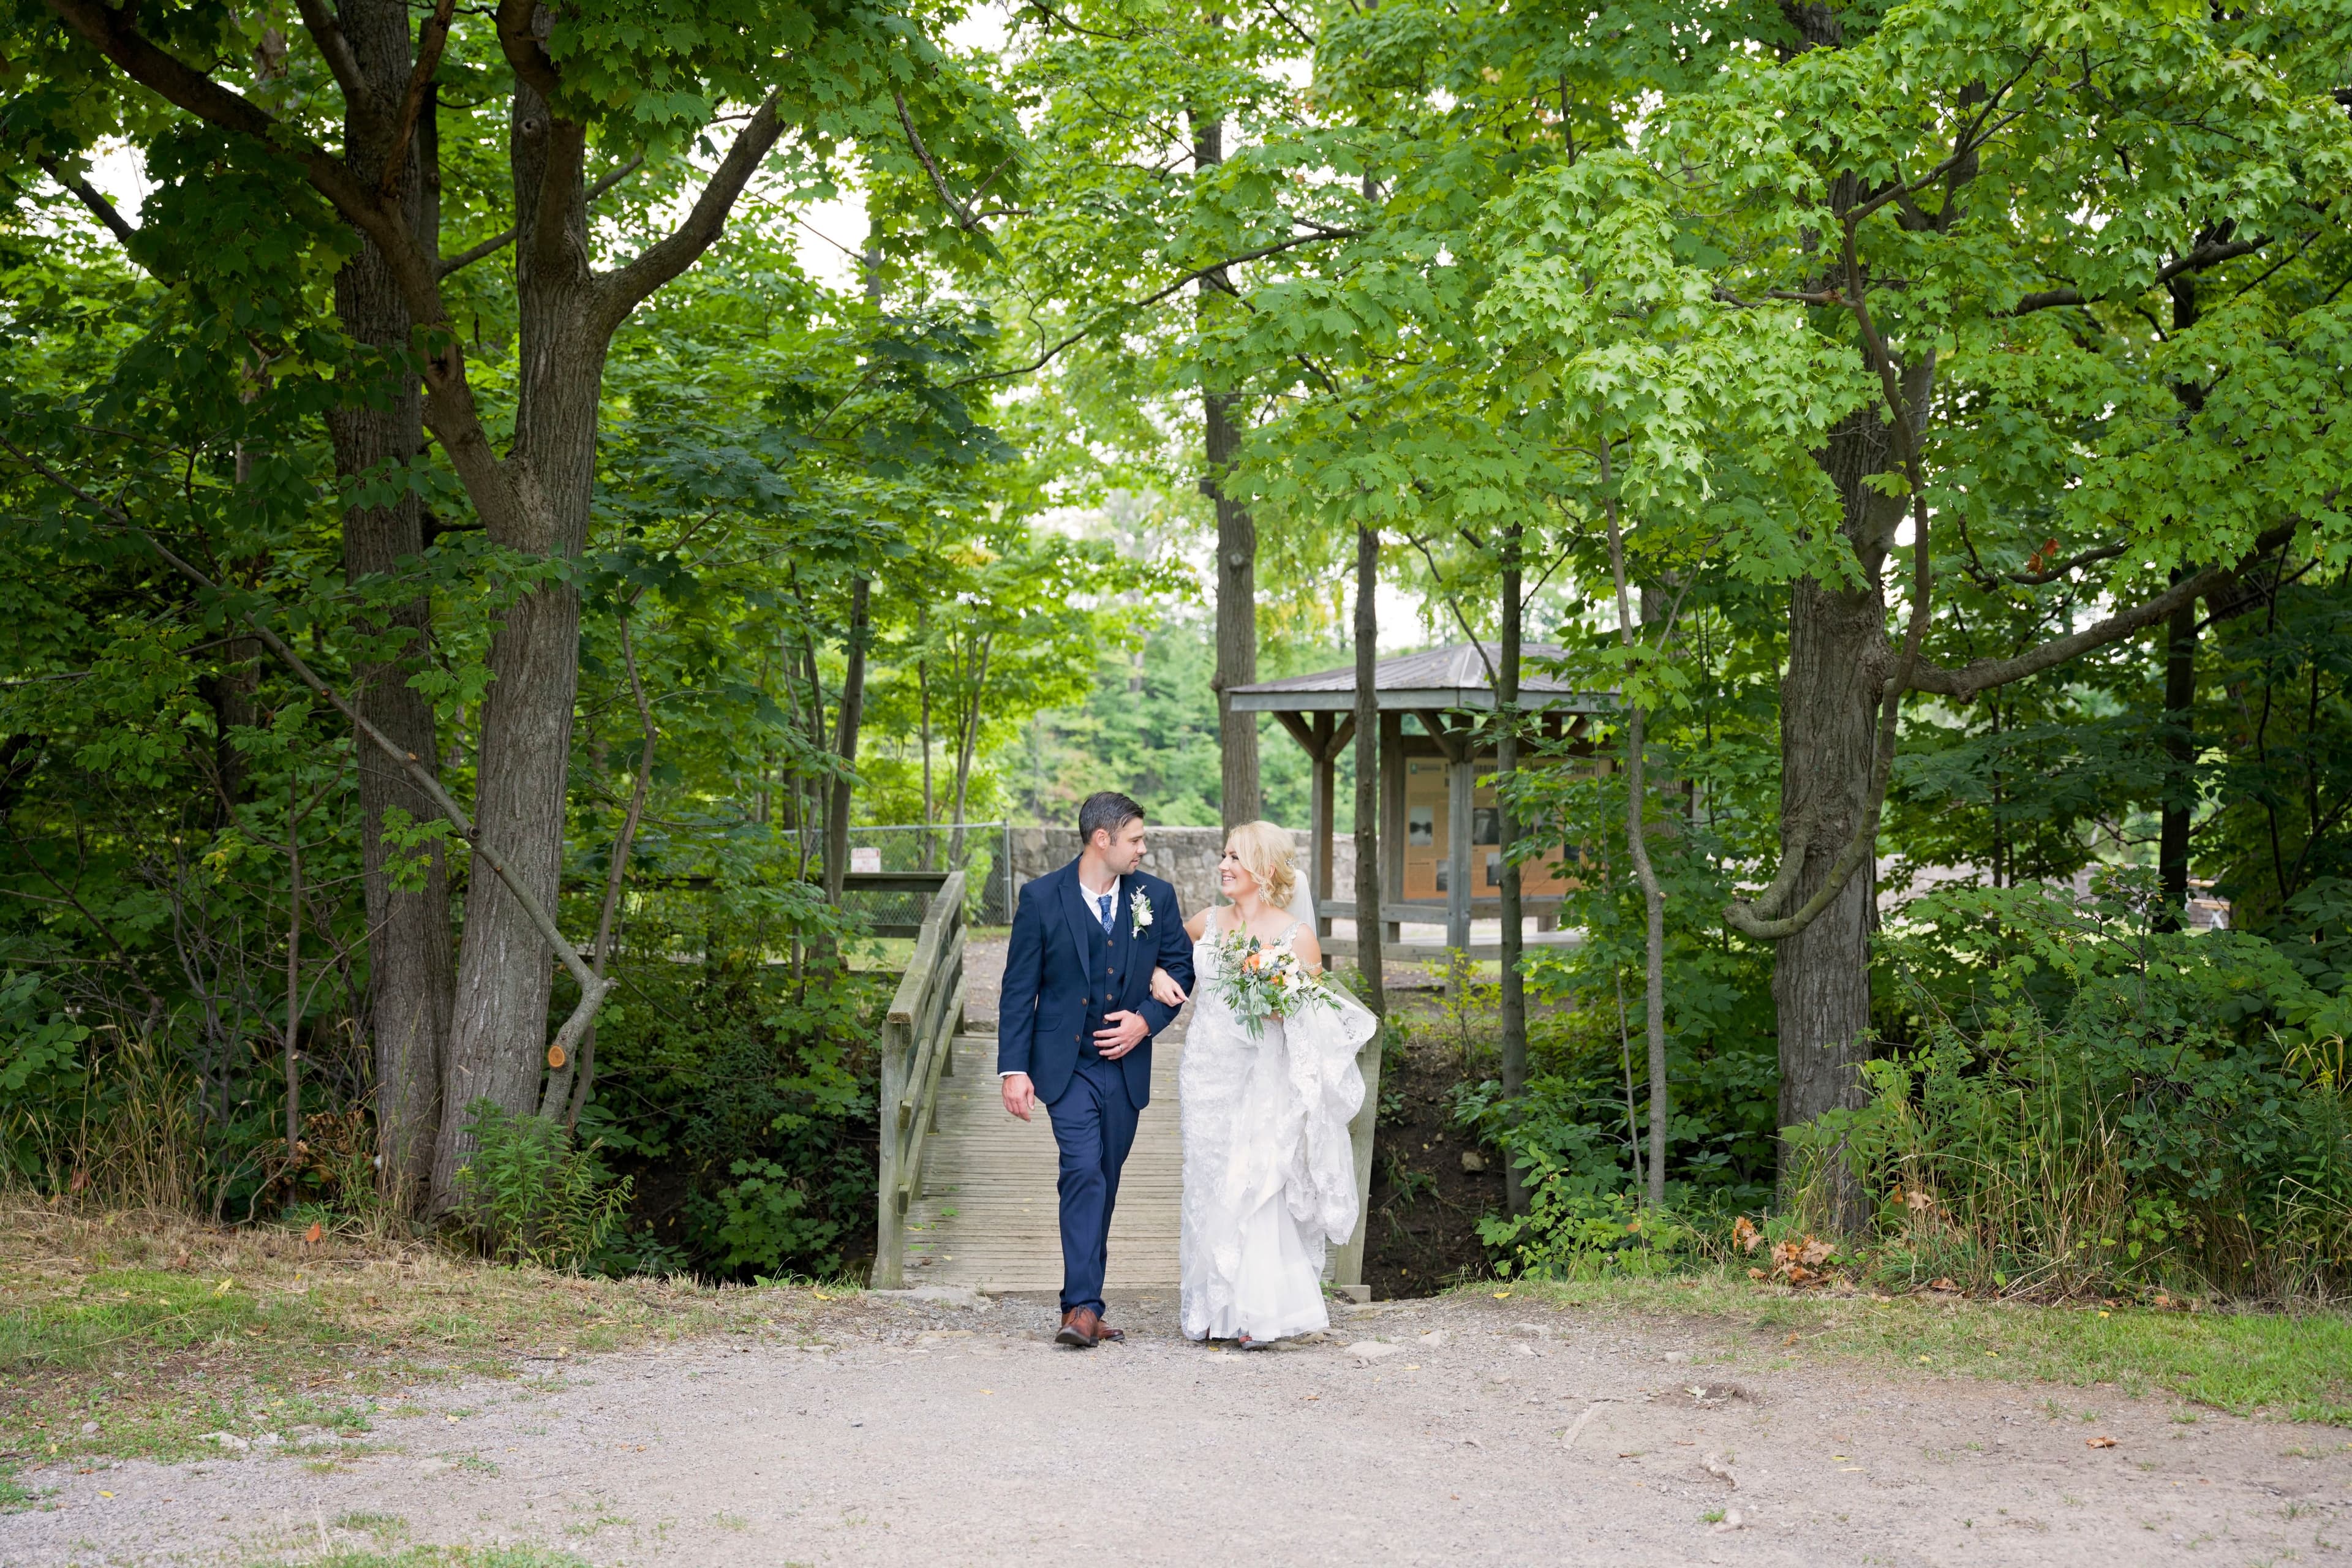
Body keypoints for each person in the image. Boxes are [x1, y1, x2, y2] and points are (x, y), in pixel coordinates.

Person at [1152, 821, 1374, 1347]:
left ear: (1266, 870)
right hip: (1206, 1072)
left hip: (1263, 1073)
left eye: (1236, 857)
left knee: (1255, 1182)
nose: (1224, 865)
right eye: (1224, 855)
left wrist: (1282, 1004)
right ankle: (1212, 1308)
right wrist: (1157, 974)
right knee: (1208, 1183)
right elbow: (1156, 957)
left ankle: (1258, 1313)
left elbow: (1314, 1020)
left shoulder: (1296, 938)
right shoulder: (1206, 922)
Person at [997, 791, 1196, 1348]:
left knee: (1103, 1182)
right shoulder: (1041, 898)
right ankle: (1081, 1307)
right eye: (1135, 839)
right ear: (1101, 839)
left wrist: (1147, 1020)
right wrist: (1014, 1069)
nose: (1143, 849)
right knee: (1081, 1170)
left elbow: (1181, 965)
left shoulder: (1154, 896)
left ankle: (1086, 1303)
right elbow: (1019, 988)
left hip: (1125, 1067)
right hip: (1065, 1067)